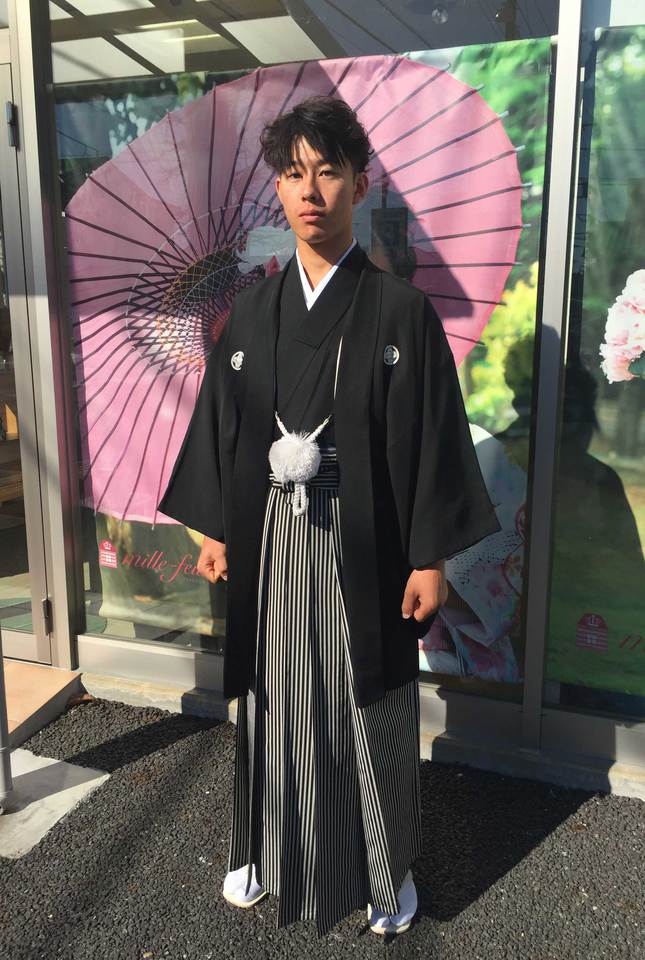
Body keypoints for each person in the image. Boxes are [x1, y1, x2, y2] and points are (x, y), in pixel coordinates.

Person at [158, 95, 500, 937]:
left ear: (359, 183)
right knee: (270, 694)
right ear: (278, 189)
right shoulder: (253, 311)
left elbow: (429, 437)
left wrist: (428, 557)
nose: (309, 190)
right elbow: (221, 422)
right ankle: (261, 848)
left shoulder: (399, 311)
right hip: (270, 530)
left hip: (364, 533)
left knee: (366, 698)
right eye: (292, 173)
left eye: (327, 171)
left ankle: (385, 869)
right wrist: (214, 525)